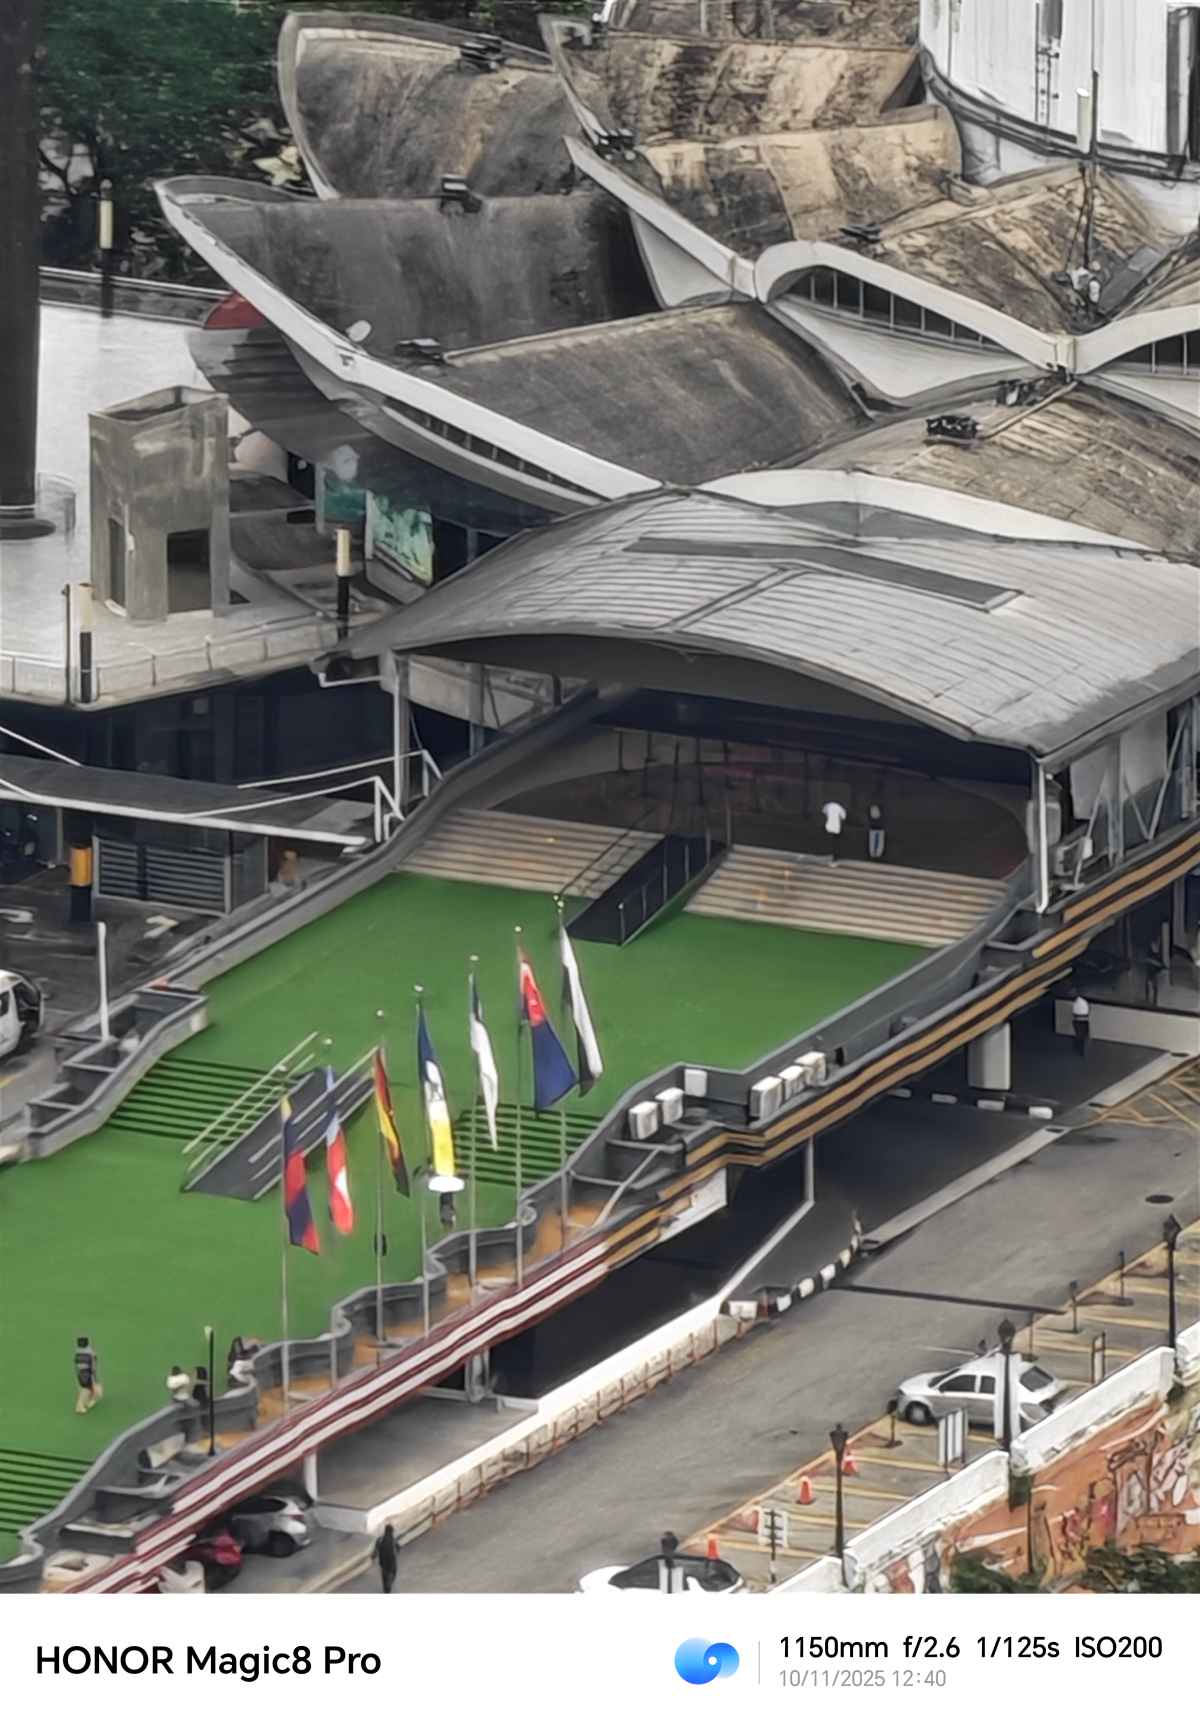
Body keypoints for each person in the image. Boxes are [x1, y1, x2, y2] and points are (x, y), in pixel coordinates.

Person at [74, 1335, 102, 1414]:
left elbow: (77, 1366)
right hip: (87, 1374)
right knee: (87, 1390)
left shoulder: (78, 1353)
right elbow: (93, 1367)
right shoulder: (89, 1354)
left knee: (93, 1390)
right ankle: (79, 1407)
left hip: (82, 1374)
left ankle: (87, 1402)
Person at [373, 1522, 398, 1594]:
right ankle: (389, 1584)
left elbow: (376, 1549)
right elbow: (398, 1547)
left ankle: (386, 1588)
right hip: (392, 1560)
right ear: (391, 1531)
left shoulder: (380, 1539)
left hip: (383, 1561)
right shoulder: (393, 1539)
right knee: (392, 1573)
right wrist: (396, 1552)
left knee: (384, 1574)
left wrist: (373, 1556)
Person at [822, 796, 848, 865]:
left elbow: (823, 814)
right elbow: (844, 817)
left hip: (829, 827)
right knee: (835, 844)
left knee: (832, 843)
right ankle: (834, 858)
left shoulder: (827, 806)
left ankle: (832, 858)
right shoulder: (839, 807)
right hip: (837, 828)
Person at [1071, 993, 1090, 1058]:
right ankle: (1082, 1049)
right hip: (1083, 1021)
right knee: (1083, 1035)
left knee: (1079, 1035)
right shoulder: (1083, 1002)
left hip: (1078, 1021)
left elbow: (1074, 1012)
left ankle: (1079, 1048)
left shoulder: (1076, 1003)